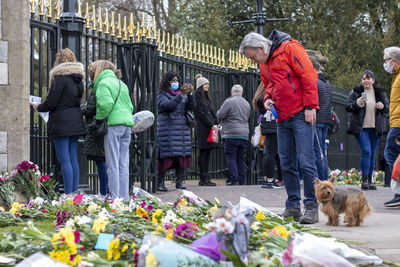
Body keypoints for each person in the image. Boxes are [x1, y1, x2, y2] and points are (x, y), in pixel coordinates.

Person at [240, 30, 320, 224]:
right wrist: (267, 99)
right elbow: (269, 85)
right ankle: (293, 206)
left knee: (306, 160)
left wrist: (310, 106)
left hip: (301, 112)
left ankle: (311, 206)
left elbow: (308, 76)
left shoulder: (290, 48)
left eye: (252, 57)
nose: (252, 61)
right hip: (282, 116)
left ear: (261, 48)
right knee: (286, 161)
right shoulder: (264, 63)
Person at [35, 48, 86, 196]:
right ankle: (74, 192)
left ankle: (68, 194)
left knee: (64, 159)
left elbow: (51, 102)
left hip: (61, 123)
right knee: (72, 158)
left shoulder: (59, 79)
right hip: (75, 122)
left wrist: (39, 106)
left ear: (59, 61)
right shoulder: (78, 80)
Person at [90, 60, 134, 200]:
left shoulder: (103, 83)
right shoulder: (122, 84)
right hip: (127, 124)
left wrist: (99, 118)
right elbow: (130, 106)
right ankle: (124, 198)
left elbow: (106, 104)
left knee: (112, 163)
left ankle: (115, 198)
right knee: (123, 164)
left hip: (113, 124)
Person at [346, 70, 389, 190]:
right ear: (361, 81)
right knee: (366, 151)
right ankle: (364, 180)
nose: (366, 81)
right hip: (361, 128)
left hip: (375, 128)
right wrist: (357, 103)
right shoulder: (356, 91)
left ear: (373, 80)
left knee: (372, 154)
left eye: (368, 78)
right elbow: (347, 106)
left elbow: (387, 108)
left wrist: (382, 106)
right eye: (364, 79)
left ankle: (370, 180)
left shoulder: (380, 92)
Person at [157, 71, 195, 191]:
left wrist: (191, 94)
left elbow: (192, 107)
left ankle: (179, 181)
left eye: (177, 81)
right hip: (167, 128)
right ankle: (160, 182)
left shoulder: (182, 94)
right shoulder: (162, 94)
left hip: (182, 128)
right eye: (173, 81)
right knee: (166, 156)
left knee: (181, 155)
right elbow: (168, 106)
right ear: (167, 82)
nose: (175, 83)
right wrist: (181, 95)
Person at [80, 62, 111, 197]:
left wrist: (80, 109)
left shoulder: (100, 85)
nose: (90, 74)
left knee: (101, 160)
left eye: (91, 71)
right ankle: (106, 190)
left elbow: (91, 107)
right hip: (107, 125)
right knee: (104, 160)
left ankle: (104, 191)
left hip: (99, 126)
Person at [217, 84, 250, 186]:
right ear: (241, 92)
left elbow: (220, 115)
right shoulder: (246, 103)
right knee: (240, 157)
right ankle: (242, 180)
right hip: (244, 134)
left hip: (231, 133)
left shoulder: (229, 101)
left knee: (231, 156)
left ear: (232, 92)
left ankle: (234, 179)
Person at [307, 50, 332, 181]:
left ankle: (321, 180)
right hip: (325, 120)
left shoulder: (314, 81)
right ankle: (325, 179)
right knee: (322, 151)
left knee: (317, 152)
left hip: (316, 119)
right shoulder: (326, 82)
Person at [252, 83, 282, 188]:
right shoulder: (266, 100)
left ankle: (266, 178)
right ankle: (270, 179)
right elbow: (274, 113)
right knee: (272, 153)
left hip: (266, 126)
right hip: (273, 125)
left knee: (268, 153)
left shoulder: (258, 99)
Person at [383, 47, 400, 207]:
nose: (385, 63)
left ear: (394, 61)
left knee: (390, 153)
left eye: (386, 60)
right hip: (396, 122)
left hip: (399, 124)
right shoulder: (397, 76)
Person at [194, 74, 218, 186]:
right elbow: (201, 113)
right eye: (205, 84)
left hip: (210, 128)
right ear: (200, 85)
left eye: (208, 84)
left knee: (207, 152)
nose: (207, 86)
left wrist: (216, 123)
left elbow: (211, 112)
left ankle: (206, 176)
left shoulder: (206, 98)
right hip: (203, 129)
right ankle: (203, 177)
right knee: (203, 152)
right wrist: (211, 124)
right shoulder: (198, 97)